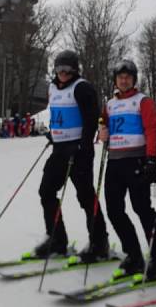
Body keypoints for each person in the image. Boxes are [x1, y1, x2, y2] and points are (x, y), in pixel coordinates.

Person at [34, 50, 109, 262]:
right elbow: (57, 113)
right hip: (59, 149)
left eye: (67, 69)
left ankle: (99, 242)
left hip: (79, 150)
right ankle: (57, 240)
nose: (63, 73)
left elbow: (91, 119)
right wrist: (53, 131)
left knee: (85, 196)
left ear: (75, 70)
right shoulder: (52, 88)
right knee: (46, 191)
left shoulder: (82, 88)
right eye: (59, 69)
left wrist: (83, 146)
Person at [99, 59, 156, 279]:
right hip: (115, 162)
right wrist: (102, 132)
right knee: (114, 210)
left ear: (133, 79)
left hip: (136, 161)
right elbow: (104, 125)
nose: (123, 80)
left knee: (142, 208)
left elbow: (151, 130)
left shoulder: (143, 101)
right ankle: (133, 254)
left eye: (128, 77)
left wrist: (151, 159)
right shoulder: (110, 103)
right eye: (120, 77)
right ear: (115, 80)